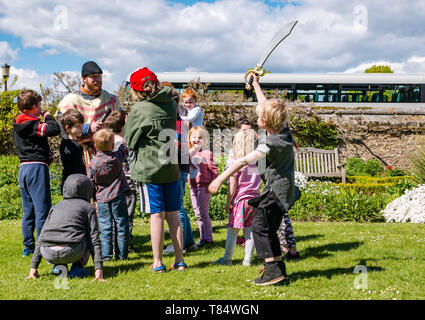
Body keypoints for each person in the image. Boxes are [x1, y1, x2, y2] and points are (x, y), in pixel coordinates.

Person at [209, 73, 301, 286]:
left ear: (265, 121)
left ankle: (271, 271)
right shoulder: (283, 130)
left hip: (277, 192)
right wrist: (256, 85)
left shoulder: (268, 144)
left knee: (260, 227)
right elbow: (263, 104)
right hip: (282, 190)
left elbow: (241, 162)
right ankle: (277, 267)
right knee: (267, 228)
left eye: (259, 116)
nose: (256, 117)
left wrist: (219, 179)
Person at [124, 67, 186, 272]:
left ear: (137, 90)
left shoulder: (140, 109)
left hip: (150, 169)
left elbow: (131, 141)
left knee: (156, 215)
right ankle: (179, 260)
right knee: (173, 214)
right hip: (171, 166)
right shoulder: (170, 103)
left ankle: (158, 262)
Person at [26, 174, 105, 282]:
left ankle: (59, 267)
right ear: (88, 190)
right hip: (72, 252)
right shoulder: (88, 208)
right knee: (88, 235)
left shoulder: (55, 207)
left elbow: (41, 238)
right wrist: (98, 269)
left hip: (48, 252)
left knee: (59, 236)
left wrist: (33, 268)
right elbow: (94, 239)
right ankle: (78, 268)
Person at [12, 89, 61, 257]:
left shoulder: (18, 122)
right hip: (36, 168)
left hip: (23, 168)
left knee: (28, 210)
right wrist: (48, 116)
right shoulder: (32, 124)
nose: (41, 108)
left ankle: (28, 247)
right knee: (42, 209)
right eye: (40, 105)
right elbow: (53, 129)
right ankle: (42, 245)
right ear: (33, 107)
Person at [56, 61, 121, 169]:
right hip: (80, 154)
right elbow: (62, 128)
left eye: (99, 76)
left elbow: (121, 122)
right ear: (84, 78)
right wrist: (88, 128)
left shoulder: (111, 99)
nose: (97, 80)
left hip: (108, 154)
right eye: (93, 77)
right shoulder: (71, 100)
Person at [212, 129, 260, 266]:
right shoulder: (256, 162)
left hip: (241, 200)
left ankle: (227, 259)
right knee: (249, 231)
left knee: (233, 230)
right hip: (255, 199)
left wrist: (229, 202)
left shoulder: (236, 162)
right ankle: (247, 260)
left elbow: (232, 184)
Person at [161, 82, 198, 254]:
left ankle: (180, 243)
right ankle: (189, 241)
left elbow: (174, 144)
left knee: (176, 207)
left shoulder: (177, 119)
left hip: (177, 165)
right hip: (182, 164)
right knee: (180, 205)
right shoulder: (182, 116)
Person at [87, 129, 129, 261]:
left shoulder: (94, 163)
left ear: (95, 146)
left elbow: (90, 181)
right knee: (121, 224)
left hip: (102, 198)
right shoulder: (117, 157)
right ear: (112, 146)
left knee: (105, 227)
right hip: (118, 194)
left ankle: (106, 255)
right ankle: (122, 254)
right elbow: (125, 147)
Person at [103, 110, 137, 251]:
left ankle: (111, 244)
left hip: (111, 184)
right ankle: (124, 244)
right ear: (123, 125)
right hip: (128, 182)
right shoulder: (126, 143)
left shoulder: (108, 141)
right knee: (127, 214)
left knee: (112, 216)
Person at [188, 126, 218, 247]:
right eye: (194, 137)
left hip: (204, 187)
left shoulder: (207, 153)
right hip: (193, 186)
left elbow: (214, 170)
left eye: (200, 138)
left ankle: (208, 238)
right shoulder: (188, 154)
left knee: (203, 213)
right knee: (197, 213)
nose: (196, 140)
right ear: (189, 138)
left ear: (204, 140)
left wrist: (213, 183)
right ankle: (202, 237)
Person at [59, 109, 86, 194]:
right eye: (78, 126)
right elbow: (79, 166)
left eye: (82, 126)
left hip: (66, 182)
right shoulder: (75, 146)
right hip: (76, 182)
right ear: (68, 128)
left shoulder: (63, 143)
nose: (81, 128)